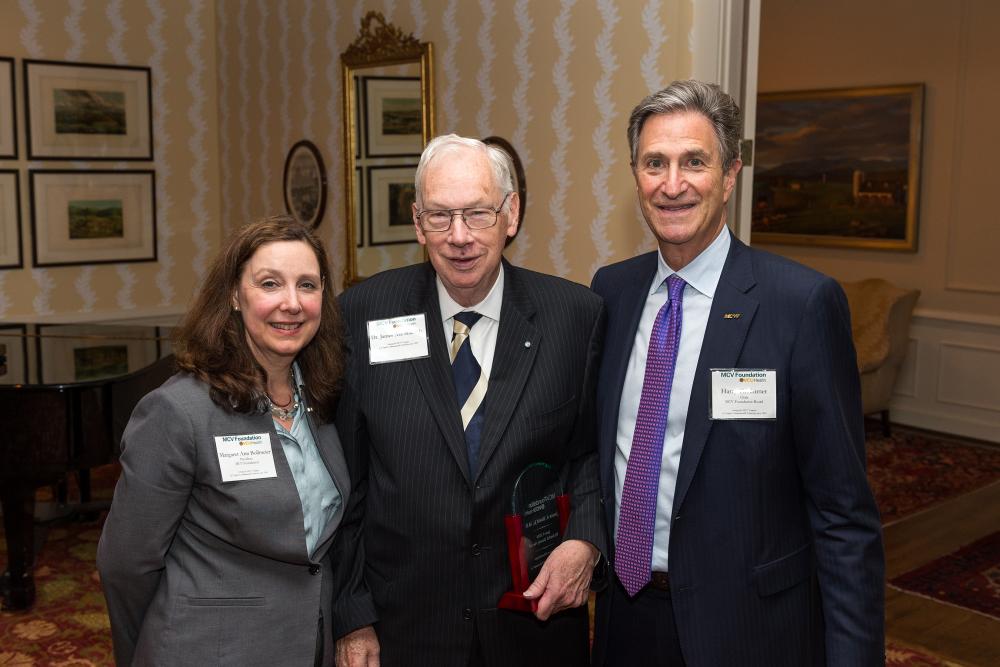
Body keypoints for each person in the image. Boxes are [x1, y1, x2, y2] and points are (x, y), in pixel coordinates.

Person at [590, 80, 885, 666]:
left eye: (694, 162)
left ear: (729, 175)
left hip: (750, 628)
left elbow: (843, 515)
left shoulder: (800, 305)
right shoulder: (611, 292)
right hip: (624, 617)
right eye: (655, 164)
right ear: (635, 175)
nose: (672, 185)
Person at [334, 134, 607, 667]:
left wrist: (585, 542)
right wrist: (353, 615)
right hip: (404, 626)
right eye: (440, 216)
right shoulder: (363, 314)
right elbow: (346, 482)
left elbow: (591, 455)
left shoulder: (574, 317)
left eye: (478, 213)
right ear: (417, 223)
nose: (459, 237)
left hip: (533, 625)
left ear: (511, 213)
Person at [97, 216, 352, 666]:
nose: (291, 303)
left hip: (309, 644)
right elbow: (126, 565)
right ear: (235, 295)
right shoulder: (178, 412)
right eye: (270, 283)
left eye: (307, 285)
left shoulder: (324, 397)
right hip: (207, 650)